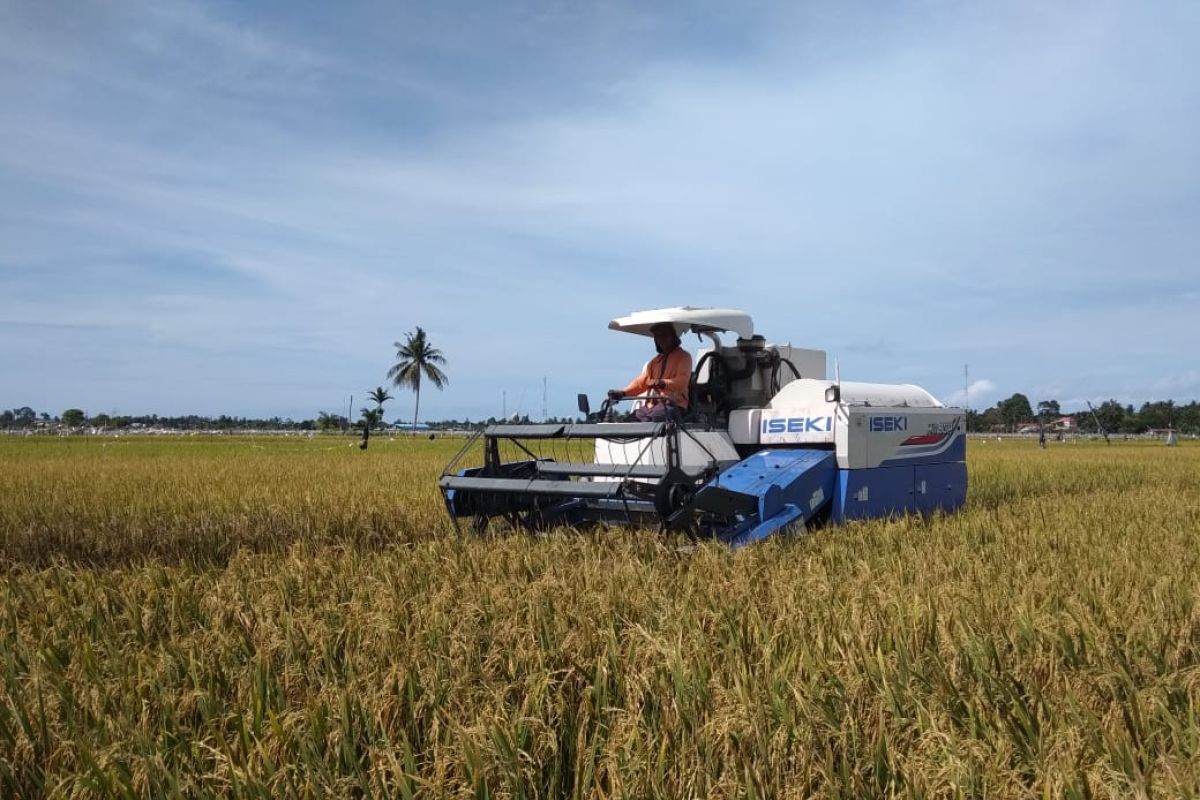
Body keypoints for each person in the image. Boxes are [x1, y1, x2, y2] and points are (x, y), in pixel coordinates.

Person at [608, 322, 692, 421]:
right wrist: (623, 393)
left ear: (673, 337)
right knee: (629, 422)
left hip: (674, 405)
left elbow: (682, 381)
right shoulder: (654, 362)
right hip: (651, 406)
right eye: (658, 336)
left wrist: (663, 383)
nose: (661, 339)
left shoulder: (684, 357)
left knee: (653, 419)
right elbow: (642, 382)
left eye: (665, 335)